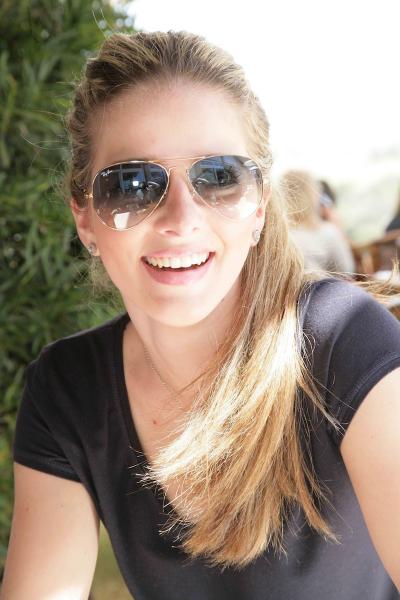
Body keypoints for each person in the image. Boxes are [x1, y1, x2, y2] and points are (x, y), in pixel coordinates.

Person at [1, 31, 400, 600]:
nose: (181, 218)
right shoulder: (68, 388)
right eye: (132, 184)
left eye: (219, 177)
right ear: (84, 218)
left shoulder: (344, 339)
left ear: (259, 207)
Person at [282, 170, 356, 274]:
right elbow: (347, 270)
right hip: (324, 283)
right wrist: (338, 230)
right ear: (313, 195)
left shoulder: (279, 237)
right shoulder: (328, 232)